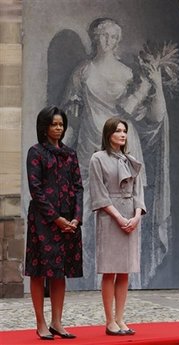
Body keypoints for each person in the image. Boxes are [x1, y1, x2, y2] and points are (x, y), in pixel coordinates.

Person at [62, 17, 170, 288]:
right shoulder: (83, 71)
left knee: (127, 204)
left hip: (125, 142)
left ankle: (125, 277)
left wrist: (153, 83)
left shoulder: (127, 73)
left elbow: (151, 116)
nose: (107, 41)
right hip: (90, 142)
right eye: (102, 35)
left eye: (112, 36)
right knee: (89, 211)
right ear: (94, 38)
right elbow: (69, 112)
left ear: (118, 40)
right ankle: (89, 279)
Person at [25, 105, 83, 340]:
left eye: (60, 124)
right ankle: (40, 322)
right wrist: (56, 218)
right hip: (43, 221)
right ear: (44, 126)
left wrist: (76, 218)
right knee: (39, 272)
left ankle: (57, 322)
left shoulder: (70, 153)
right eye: (53, 124)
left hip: (69, 221)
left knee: (60, 272)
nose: (58, 128)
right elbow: (35, 190)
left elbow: (79, 186)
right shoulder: (36, 152)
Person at [89, 117, 146, 335]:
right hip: (110, 218)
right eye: (118, 131)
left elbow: (138, 192)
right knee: (110, 271)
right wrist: (119, 217)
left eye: (124, 131)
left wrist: (136, 216)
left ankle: (121, 319)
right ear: (108, 134)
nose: (122, 134)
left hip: (131, 217)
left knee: (125, 272)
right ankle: (109, 320)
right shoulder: (98, 159)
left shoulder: (131, 160)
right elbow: (99, 194)